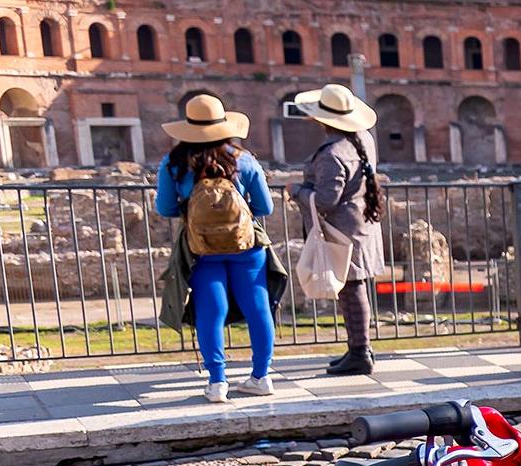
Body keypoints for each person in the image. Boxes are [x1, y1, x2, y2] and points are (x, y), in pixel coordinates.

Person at [154, 93, 282, 403]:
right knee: (257, 306)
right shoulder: (244, 159)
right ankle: (261, 376)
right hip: (246, 246)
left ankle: (217, 381)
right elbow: (265, 207)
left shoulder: (174, 163)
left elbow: (165, 208)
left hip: (201, 248)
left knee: (211, 310)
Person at [289, 84, 385, 376]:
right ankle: (359, 348)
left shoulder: (332, 153)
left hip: (343, 231)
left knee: (352, 289)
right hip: (361, 224)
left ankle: (360, 352)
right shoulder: (362, 140)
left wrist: (297, 191)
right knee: (354, 288)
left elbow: (326, 201)